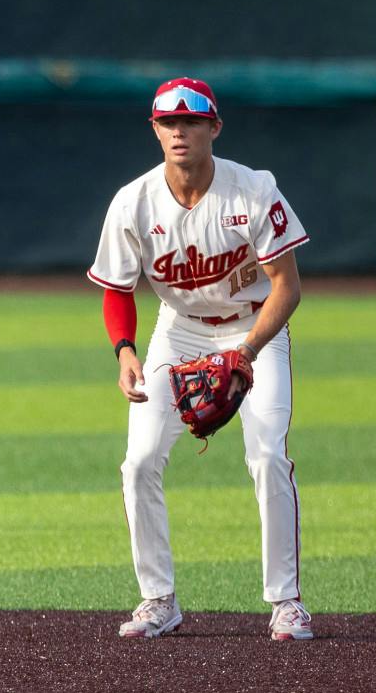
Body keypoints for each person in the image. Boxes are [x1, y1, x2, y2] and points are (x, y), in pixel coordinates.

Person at [87, 77, 315, 642]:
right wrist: (125, 353)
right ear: (155, 130)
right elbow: (117, 289)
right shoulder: (133, 202)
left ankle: (286, 603)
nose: (179, 131)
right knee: (139, 461)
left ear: (214, 127)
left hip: (253, 327)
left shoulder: (254, 190)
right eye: (168, 122)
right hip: (179, 331)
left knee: (266, 455)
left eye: (191, 121)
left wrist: (247, 351)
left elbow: (287, 287)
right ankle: (157, 599)